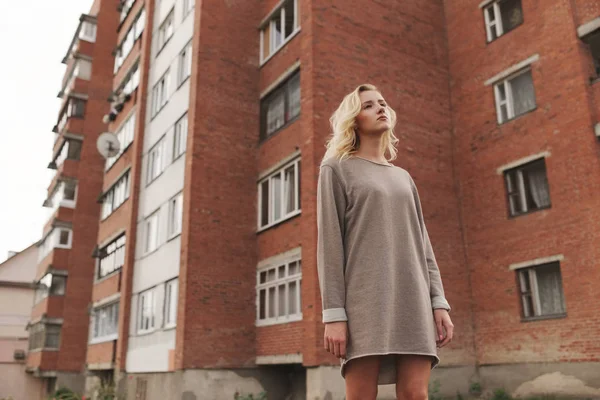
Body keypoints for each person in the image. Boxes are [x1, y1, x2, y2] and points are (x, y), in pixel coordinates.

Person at [316, 83, 454, 400]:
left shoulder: (403, 177)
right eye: (368, 105)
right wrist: (334, 314)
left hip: (413, 298)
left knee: (415, 394)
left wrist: (439, 302)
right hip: (365, 302)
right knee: (362, 395)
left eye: (382, 102)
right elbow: (329, 248)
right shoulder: (336, 168)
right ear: (354, 119)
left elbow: (423, 245)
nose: (380, 107)